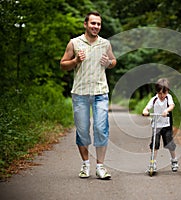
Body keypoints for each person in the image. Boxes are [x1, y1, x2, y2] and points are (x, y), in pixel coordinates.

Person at [60, 11, 116, 179]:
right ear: (85, 24)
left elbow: (113, 61)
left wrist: (109, 63)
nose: (96, 27)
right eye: (93, 23)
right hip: (80, 93)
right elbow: (63, 65)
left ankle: (100, 167)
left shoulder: (105, 43)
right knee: (83, 131)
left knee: (101, 129)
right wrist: (75, 61)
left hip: (100, 92)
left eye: (98, 24)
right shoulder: (74, 43)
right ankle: (85, 165)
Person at [142, 78, 179, 172]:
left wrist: (166, 110)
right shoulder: (154, 99)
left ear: (167, 92)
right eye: (159, 93)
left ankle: (174, 160)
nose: (162, 95)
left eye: (164, 93)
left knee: (169, 143)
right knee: (155, 143)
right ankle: (152, 162)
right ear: (157, 92)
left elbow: (172, 105)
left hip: (166, 125)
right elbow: (147, 108)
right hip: (156, 126)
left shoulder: (168, 97)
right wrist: (145, 111)